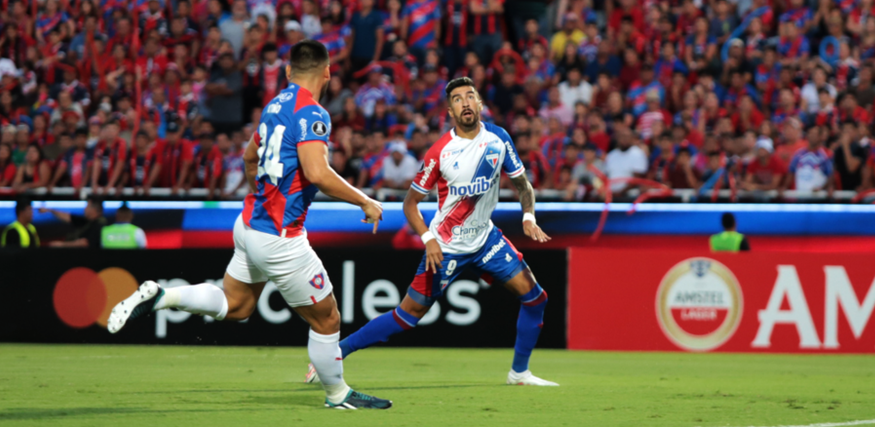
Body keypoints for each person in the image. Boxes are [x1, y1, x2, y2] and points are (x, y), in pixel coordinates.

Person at [107, 40, 390, 410]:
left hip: (249, 225)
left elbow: (248, 156)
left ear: (288, 72)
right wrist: (364, 201)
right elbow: (318, 173)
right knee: (327, 318)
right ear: (327, 72)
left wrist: (264, 191)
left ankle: (163, 296)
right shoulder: (313, 113)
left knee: (236, 305)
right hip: (281, 237)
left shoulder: (274, 106)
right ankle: (337, 396)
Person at [310, 76, 557, 387]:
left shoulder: (499, 139)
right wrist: (428, 240)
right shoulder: (440, 152)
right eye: (457, 99)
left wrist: (529, 216)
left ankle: (519, 374)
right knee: (407, 316)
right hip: (447, 247)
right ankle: (335, 353)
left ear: (479, 104)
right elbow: (409, 204)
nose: (465, 102)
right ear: (450, 112)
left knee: (536, 298)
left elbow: (523, 185)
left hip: (486, 240)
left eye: (470, 96)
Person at [40, 195, 107, 248]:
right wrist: (50, 210)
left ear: (94, 208)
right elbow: (68, 217)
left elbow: (85, 243)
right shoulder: (87, 221)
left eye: (87, 206)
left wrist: (61, 245)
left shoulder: (99, 225)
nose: (84, 209)